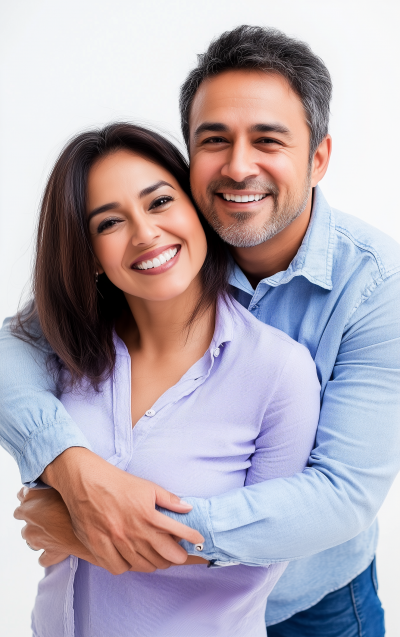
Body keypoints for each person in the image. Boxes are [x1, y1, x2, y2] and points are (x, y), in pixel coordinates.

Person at [2, 25, 400, 637]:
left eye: (268, 139)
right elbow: (21, 342)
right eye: (215, 140)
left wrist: (99, 529)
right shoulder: (165, 235)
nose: (239, 167)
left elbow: (341, 494)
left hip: (315, 601)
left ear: (318, 157)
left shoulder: (376, 286)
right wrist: (70, 465)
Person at [9, 122, 319, 637]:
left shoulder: (278, 372)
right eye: (109, 223)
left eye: (158, 203)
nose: (145, 233)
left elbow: (265, 550)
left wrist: (80, 528)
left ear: (197, 209)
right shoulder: (65, 350)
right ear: (89, 255)